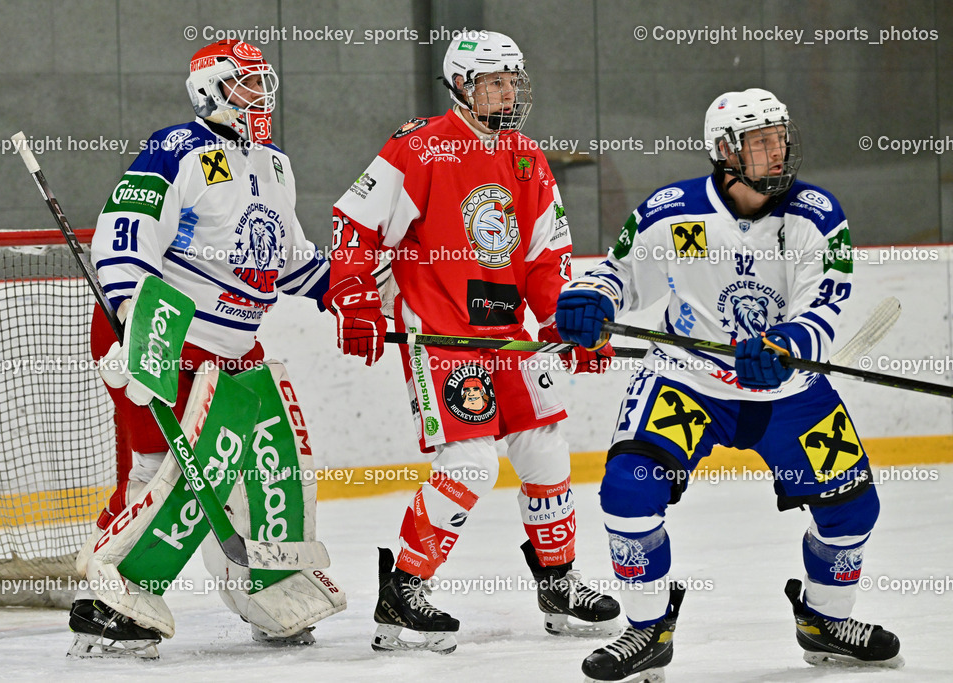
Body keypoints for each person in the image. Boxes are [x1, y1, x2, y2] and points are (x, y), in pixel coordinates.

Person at [556, 88, 902, 681]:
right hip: (685, 383)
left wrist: (788, 347)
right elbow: (620, 273)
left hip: (787, 393)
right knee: (629, 492)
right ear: (725, 152)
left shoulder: (818, 214)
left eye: (780, 137)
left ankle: (825, 620)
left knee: (853, 510)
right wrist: (592, 297)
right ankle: (648, 628)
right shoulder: (672, 210)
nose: (778, 151)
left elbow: (823, 302)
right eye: (761, 141)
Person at [327, 30, 620, 654]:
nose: (508, 92)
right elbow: (354, 224)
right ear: (461, 85)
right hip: (442, 336)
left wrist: (566, 321)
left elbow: (545, 256)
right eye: (495, 81)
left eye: (514, 80)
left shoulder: (526, 156)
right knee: (471, 463)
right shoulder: (418, 147)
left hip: (511, 337)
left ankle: (559, 582)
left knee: (546, 450)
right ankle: (404, 589)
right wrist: (352, 296)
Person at [68, 39, 343, 658]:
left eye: (262, 84)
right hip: (164, 330)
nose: (261, 97)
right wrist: (138, 325)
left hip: (235, 344)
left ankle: (268, 589)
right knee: (159, 473)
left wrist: (345, 291)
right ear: (210, 92)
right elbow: (124, 238)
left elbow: (289, 260)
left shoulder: (275, 165)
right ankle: (110, 602)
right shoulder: (178, 149)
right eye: (246, 85)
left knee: (263, 464)